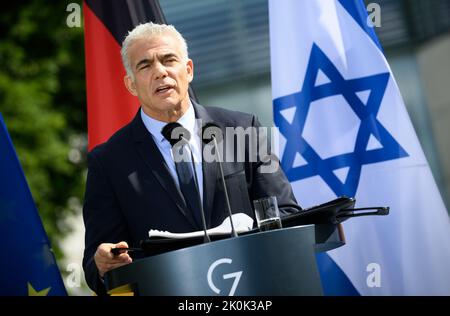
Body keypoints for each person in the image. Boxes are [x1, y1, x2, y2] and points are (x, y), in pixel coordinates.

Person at [82, 22, 299, 295]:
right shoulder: (108, 162)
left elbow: (287, 214)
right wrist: (104, 264)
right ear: (131, 85)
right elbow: (96, 266)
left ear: (188, 70)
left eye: (168, 59)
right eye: (145, 65)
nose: (160, 71)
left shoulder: (244, 130)